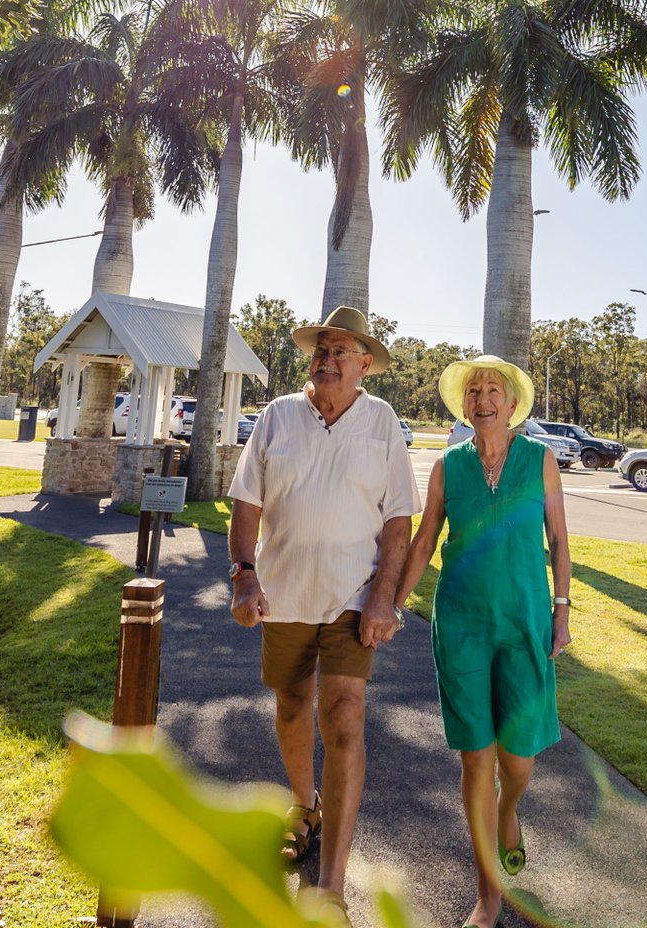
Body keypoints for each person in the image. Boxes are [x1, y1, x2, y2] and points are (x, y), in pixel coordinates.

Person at [226, 305, 419, 921]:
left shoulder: (382, 422)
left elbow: (397, 522)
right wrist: (244, 576)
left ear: (365, 365)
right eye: (322, 349)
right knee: (290, 707)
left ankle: (330, 886)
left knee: (343, 718)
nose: (328, 359)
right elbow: (246, 506)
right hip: (283, 594)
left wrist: (386, 597)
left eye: (342, 351)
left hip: (351, 598)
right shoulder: (278, 417)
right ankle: (302, 803)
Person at [394, 355, 572, 928]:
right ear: (465, 406)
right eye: (474, 392)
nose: (483, 399)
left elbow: (560, 541)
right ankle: (488, 894)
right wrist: (394, 604)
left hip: (524, 622)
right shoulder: (448, 467)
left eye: (493, 389)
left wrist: (561, 610)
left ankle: (509, 809)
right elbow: (424, 543)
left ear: (512, 403)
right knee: (477, 759)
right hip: (463, 625)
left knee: (517, 761)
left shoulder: (540, 460)